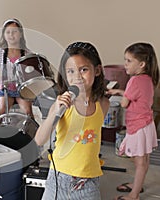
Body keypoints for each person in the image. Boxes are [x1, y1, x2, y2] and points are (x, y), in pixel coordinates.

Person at [35, 42, 109, 200]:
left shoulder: (103, 104)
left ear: (96, 70)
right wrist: (55, 109)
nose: (77, 76)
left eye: (84, 70)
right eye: (70, 71)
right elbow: (40, 139)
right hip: (59, 180)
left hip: (89, 182)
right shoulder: (63, 104)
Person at [107, 42, 159, 200]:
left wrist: (117, 95)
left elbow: (124, 103)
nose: (125, 64)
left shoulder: (134, 81)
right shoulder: (147, 79)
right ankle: (137, 184)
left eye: (129, 61)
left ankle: (134, 195)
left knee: (140, 161)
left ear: (141, 64)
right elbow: (136, 96)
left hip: (138, 126)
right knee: (142, 160)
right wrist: (120, 91)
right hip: (147, 124)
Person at [0, 18, 34, 118]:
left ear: (20, 34)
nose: (11, 35)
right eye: (8, 32)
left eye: (14, 32)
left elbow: (32, 74)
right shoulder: (0, 52)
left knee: (28, 112)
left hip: (21, 89)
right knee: (2, 111)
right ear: (4, 35)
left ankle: (31, 132)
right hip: (5, 89)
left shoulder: (27, 53)